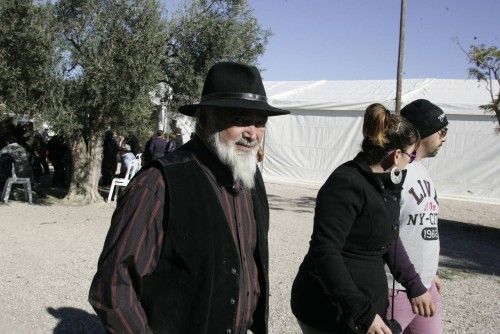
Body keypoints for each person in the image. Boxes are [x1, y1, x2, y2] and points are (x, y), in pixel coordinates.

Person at [89, 62, 290, 333]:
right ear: (207, 119)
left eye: (260, 122)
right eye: (241, 120)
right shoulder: (159, 183)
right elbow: (113, 285)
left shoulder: (251, 178)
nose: (252, 133)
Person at [291, 103, 430, 334]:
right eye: (412, 155)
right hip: (329, 310)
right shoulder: (346, 184)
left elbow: (390, 238)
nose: (412, 160)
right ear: (397, 155)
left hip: (365, 309)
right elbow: (325, 251)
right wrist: (361, 311)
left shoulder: (386, 185)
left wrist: (414, 284)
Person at [385, 99, 448, 333]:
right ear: (422, 132)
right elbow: (386, 232)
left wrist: (432, 272)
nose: (445, 138)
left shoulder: (422, 171)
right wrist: (413, 283)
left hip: (426, 287)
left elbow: (422, 229)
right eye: (442, 131)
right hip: (396, 290)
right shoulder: (394, 171)